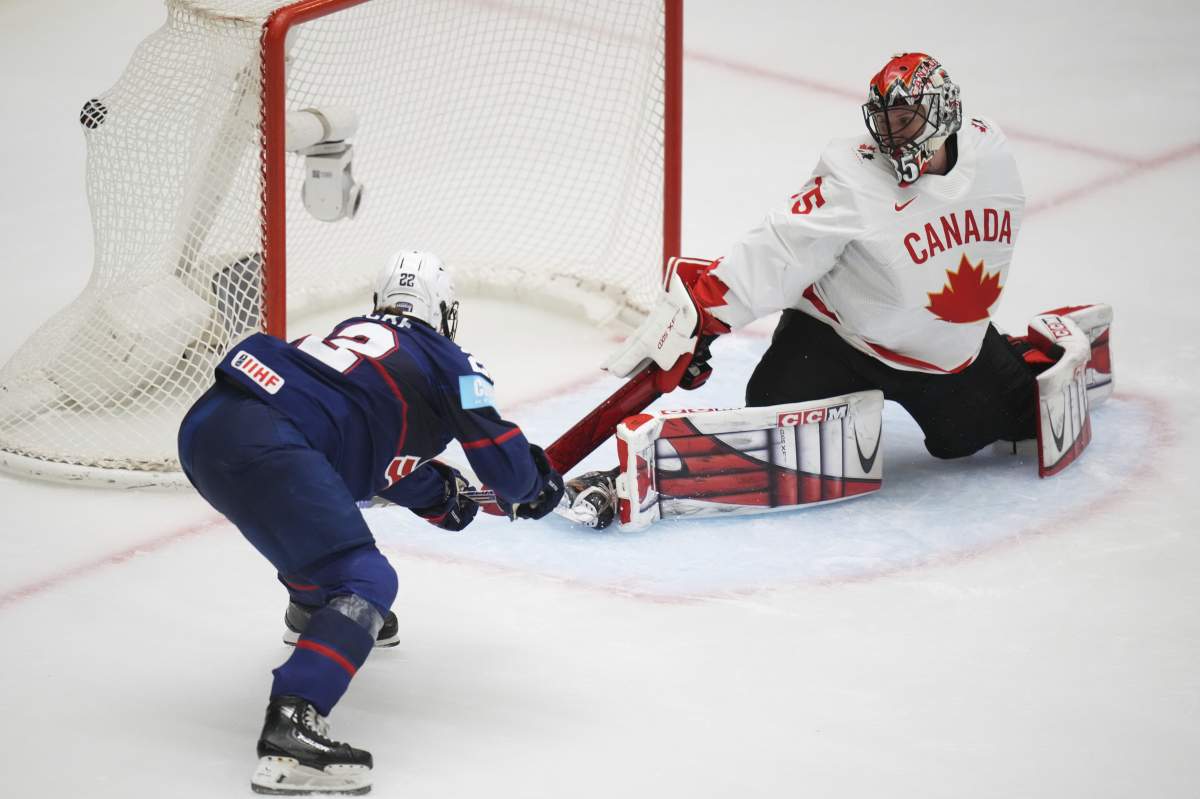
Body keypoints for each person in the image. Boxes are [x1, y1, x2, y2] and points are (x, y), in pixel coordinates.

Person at [177, 250, 564, 795]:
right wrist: (534, 482)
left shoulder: (350, 336)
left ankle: (313, 610)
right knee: (366, 580)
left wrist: (437, 495)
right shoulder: (451, 359)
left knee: (314, 525)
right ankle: (294, 724)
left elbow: (366, 449)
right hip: (274, 441)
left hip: (206, 427)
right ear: (445, 312)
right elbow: (502, 458)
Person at [606, 52, 1048, 460]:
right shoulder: (855, 176)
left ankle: (1014, 354)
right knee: (772, 415)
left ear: (944, 113)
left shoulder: (989, 151)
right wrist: (702, 315)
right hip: (841, 340)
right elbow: (781, 244)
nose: (893, 138)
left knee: (981, 436)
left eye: (906, 121)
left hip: (945, 354)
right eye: (885, 123)